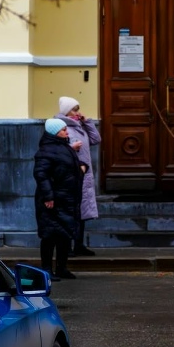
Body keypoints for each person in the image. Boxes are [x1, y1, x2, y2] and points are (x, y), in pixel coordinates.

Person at [33, 118, 86, 280]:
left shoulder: (64, 147)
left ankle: (62, 268)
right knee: (49, 235)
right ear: (55, 132)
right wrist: (48, 196)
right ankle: (47, 269)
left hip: (66, 199)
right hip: (53, 201)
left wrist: (82, 168)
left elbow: (67, 168)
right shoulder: (47, 150)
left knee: (64, 235)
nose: (66, 132)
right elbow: (41, 174)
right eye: (63, 130)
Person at [56, 96, 101, 257]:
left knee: (81, 211)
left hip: (84, 174)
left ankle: (79, 245)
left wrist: (87, 121)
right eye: (75, 109)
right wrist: (71, 148)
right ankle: (67, 247)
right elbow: (55, 148)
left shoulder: (80, 125)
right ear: (67, 111)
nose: (78, 112)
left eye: (78, 109)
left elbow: (96, 139)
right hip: (71, 174)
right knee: (71, 211)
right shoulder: (60, 126)